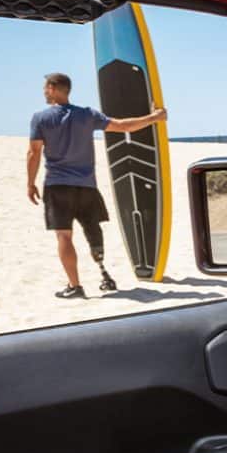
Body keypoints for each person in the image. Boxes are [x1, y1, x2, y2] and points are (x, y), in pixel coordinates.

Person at [27, 72, 168, 299]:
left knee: (64, 236)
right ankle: (103, 271)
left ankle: (75, 286)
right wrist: (155, 118)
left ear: (53, 88)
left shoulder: (40, 118)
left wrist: (30, 183)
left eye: (45, 87)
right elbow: (123, 127)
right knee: (92, 229)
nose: (44, 92)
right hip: (87, 186)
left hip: (58, 185)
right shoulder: (87, 115)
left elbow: (34, 152)